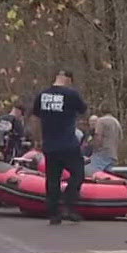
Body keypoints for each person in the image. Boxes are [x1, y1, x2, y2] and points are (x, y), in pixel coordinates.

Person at [31, 69, 88, 225]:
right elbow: (83, 110)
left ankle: (53, 213)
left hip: (50, 144)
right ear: (68, 80)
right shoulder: (71, 95)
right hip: (68, 143)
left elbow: (35, 118)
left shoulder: (42, 95)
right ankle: (68, 205)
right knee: (78, 174)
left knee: (52, 180)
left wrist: (38, 139)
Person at [88, 105, 122, 175]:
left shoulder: (101, 121)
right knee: (108, 177)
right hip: (113, 155)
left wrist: (94, 147)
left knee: (90, 173)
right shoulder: (116, 122)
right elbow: (120, 138)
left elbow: (98, 137)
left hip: (101, 154)